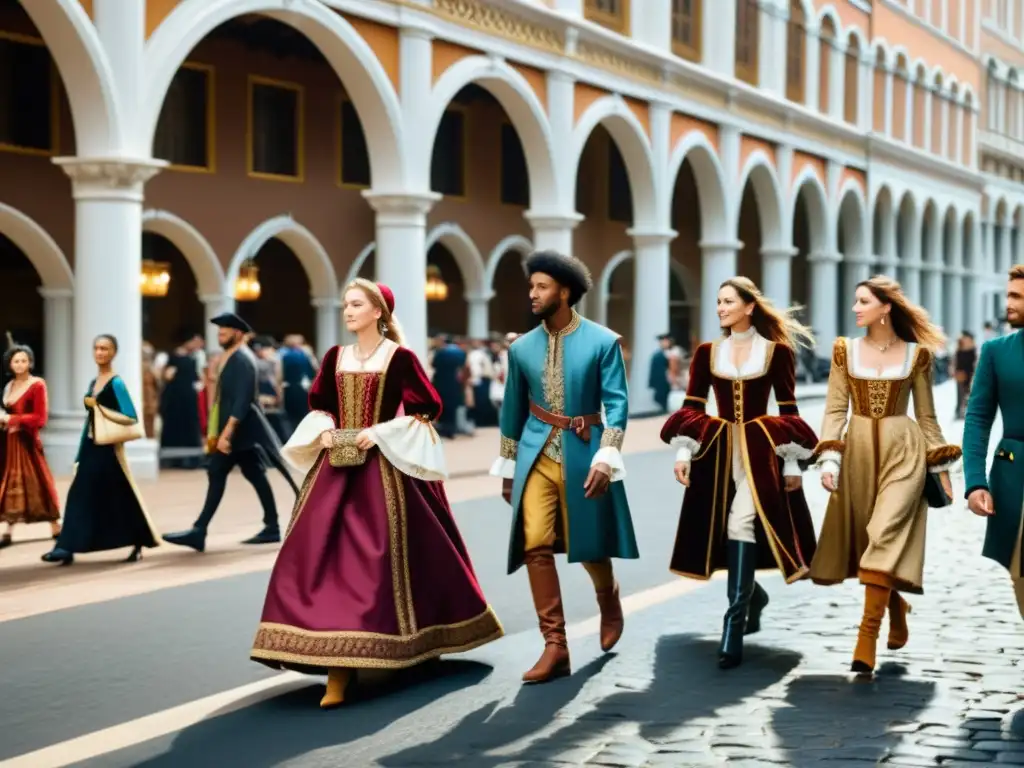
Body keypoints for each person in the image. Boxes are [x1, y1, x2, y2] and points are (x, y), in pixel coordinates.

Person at [251, 279, 502, 708]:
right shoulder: (335, 357)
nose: (347, 311)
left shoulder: (399, 358)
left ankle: (414, 641)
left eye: (355, 304)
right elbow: (321, 404)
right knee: (314, 554)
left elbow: (427, 409)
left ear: (378, 313)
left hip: (383, 469)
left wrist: (380, 433)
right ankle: (336, 665)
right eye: (346, 304)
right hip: (334, 469)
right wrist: (326, 431)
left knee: (390, 556)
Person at [490, 250, 638, 684]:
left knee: (588, 546)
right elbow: (513, 409)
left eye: (541, 286)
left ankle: (607, 596)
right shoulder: (520, 348)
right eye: (531, 286)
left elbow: (617, 403)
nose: (532, 294)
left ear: (565, 291)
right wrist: (507, 466)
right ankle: (555, 645)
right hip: (536, 452)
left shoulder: (602, 341)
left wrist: (608, 455)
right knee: (535, 545)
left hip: (585, 450)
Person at [659, 277, 819, 669]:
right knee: (720, 530)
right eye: (718, 302)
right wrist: (682, 452)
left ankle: (733, 622)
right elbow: (693, 405)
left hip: (762, 454)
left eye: (728, 301)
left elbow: (789, 413)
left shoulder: (776, 353)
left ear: (749, 307)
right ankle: (754, 596)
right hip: (717, 454)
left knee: (740, 524)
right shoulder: (706, 352)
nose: (720, 308)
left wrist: (792, 462)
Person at [810, 276, 958, 675]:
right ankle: (896, 605)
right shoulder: (844, 352)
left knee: (885, 533)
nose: (856, 308)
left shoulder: (917, 356)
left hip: (903, 452)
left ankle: (866, 636)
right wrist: (829, 459)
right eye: (855, 301)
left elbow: (927, 418)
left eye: (863, 301)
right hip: (857, 454)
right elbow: (835, 410)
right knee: (870, 542)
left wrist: (941, 469)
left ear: (885, 307)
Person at [162, 313, 298, 553]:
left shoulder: (242, 359)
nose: (219, 336)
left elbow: (242, 400)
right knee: (253, 473)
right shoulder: (233, 357)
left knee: (218, 472)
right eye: (219, 332)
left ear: (238, 334)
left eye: (224, 333)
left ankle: (199, 530)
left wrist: (226, 434)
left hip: (239, 430)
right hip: (240, 430)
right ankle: (271, 526)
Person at [41, 335, 160, 565]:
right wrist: (79, 453)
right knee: (79, 494)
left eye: (104, 349)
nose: (99, 353)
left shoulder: (116, 383)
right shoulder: (94, 382)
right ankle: (66, 546)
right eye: (96, 348)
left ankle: (137, 538)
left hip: (110, 450)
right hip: (91, 446)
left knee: (119, 496)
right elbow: (89, 421)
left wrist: (99, 407)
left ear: (113, 353)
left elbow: (130, 416)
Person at [964, 265, 1024, 620]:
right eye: (1009, 295)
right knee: (1021, 575)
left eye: (1016, 296)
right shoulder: (996, 351)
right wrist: (975, 482)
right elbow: (977, 419)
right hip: (1013, 481)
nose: (1008, 303)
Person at [0, 344, 61, 547]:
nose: (20, 364)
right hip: (10, 443)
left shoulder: (37, 385)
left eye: (24, 360)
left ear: (30, 362)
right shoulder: (9, 387)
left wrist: (11, 419)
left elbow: (40, 418)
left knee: (39, 483)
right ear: (10, 363)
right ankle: (8, 531)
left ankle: (55, 525)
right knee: (10, 485)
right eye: (16, 361)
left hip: (28, 442)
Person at [952, 331, 977, 421]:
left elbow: (974, 361)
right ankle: (961, 412)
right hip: (964, 373)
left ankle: (960, 411)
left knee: (963, 393)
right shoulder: (967, 346)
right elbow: (956, 360)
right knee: (964, 393)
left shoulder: (963, 346)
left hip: (965, 373)